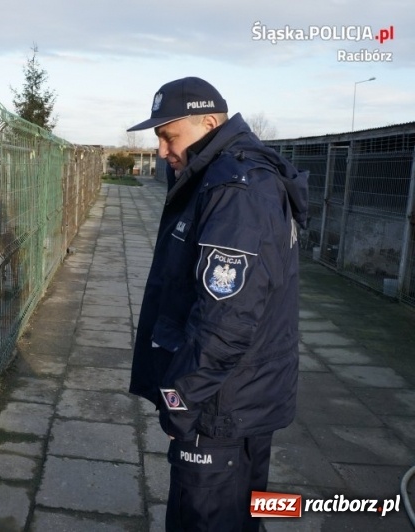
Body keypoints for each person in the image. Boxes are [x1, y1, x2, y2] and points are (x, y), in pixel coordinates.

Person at [127, 77, 308, 531]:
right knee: (241, 514)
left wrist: (180, 398)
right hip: (240, 392)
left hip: (219, 402)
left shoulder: (235, 190)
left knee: (205, 518)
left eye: (170, 136)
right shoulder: (228, 176)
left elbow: (227, 318)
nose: (163, 151)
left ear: (208, 123)